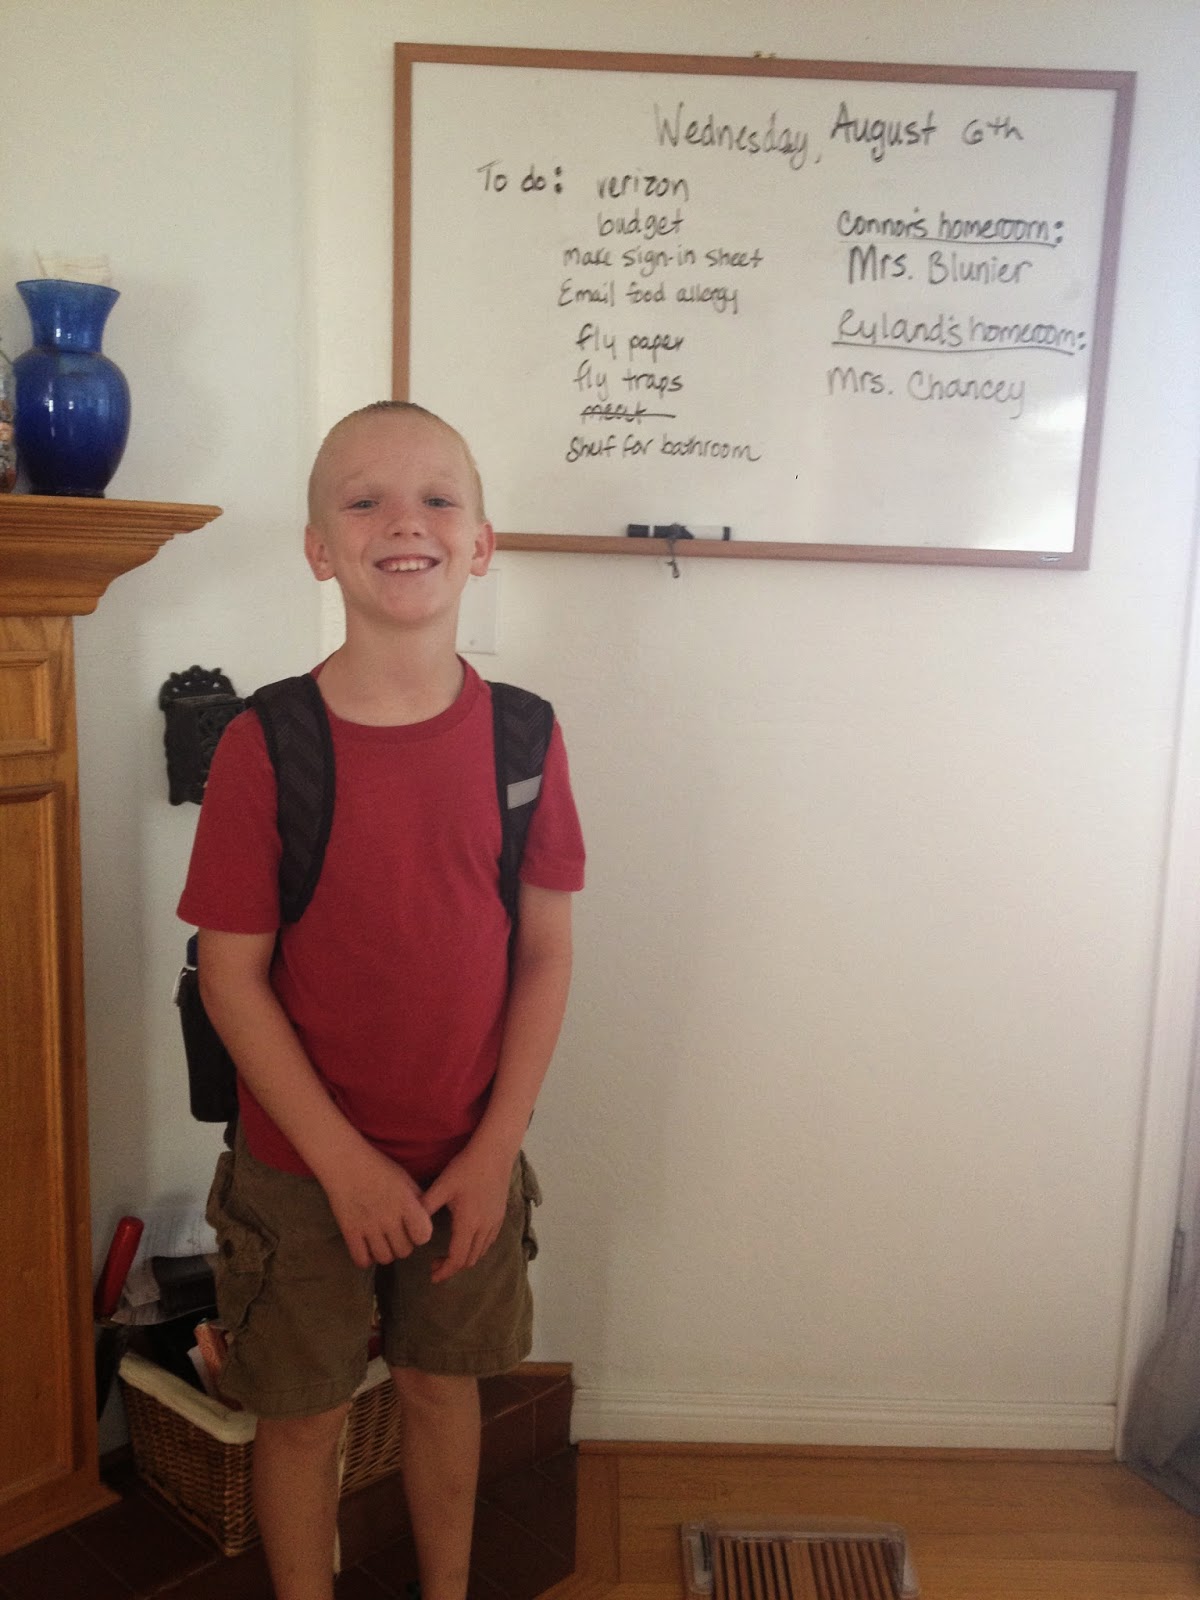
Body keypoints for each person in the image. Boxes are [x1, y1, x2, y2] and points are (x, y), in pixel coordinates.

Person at [178, 401, 585, 1600]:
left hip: (469, 1155)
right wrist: (345, 1165)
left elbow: (545, 954)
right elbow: (230, 975)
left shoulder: (525, 739)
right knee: (301, 1415)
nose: (405, 522)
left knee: (440, 1389)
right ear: (320, 548)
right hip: (298, 1169)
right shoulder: (265, 744)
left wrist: (495, 1147)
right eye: (364, 502)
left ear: (481, 543)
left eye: (437, 500)